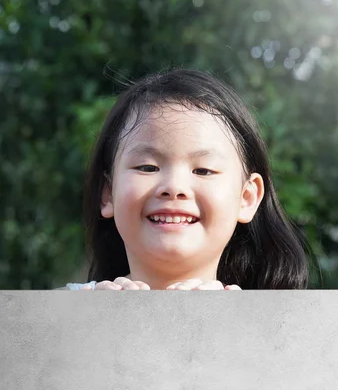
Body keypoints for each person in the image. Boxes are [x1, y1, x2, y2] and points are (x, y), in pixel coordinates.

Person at [64, 69, 309, 290]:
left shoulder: (278, 326)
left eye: (203, 170)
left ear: (247, 198)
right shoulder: (57, 315)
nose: (174, 188)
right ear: (107, 193)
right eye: (148, 167)